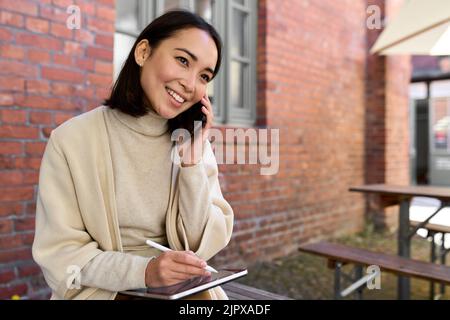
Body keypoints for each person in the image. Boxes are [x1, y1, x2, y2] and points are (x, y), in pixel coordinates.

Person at [32, 10, 234, 300]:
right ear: (143, 52)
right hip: (103, 290)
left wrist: (192, 164)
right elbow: (62, 253)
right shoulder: (71, 139)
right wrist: (145, 272)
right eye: (182, 60)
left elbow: (199, 243)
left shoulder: (193, 142)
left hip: (181, 291)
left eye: (204, 76)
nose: (190, 84)